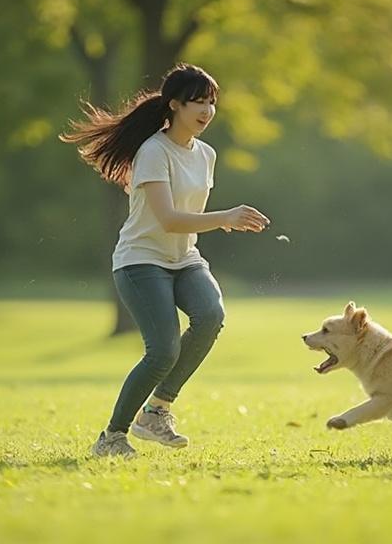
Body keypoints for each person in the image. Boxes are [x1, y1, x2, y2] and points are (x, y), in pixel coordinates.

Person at [61, 63, 271, 458]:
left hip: (184, 257)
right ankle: (112, 437)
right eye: (197, 102)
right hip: (141, 262)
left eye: (211, 103)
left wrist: (220, 221)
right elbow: (169, 219)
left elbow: (183, 225)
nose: (207, 111)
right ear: (174, 105)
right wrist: (225, 218)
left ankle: (156, 411)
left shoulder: (206, 154)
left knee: (210, 316)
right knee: (162, 351)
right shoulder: (153, 152)